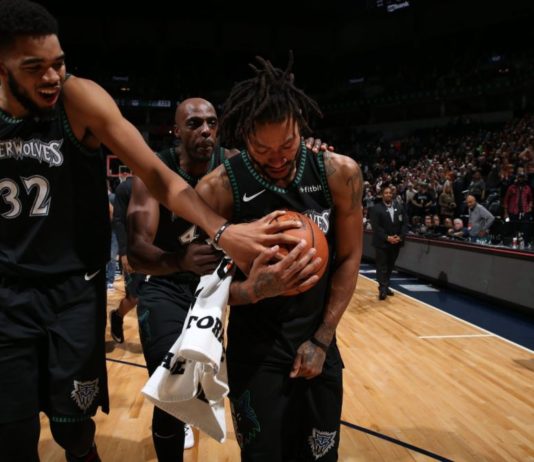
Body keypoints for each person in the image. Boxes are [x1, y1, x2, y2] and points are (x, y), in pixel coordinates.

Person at [0, 3, 301, 461]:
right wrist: (181, 258)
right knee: (12, 437)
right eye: (34, 67)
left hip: (72, 290)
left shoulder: (79, 99)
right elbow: (139, 246)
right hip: (11, 291)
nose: (52, 77)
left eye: (58, 62)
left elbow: (160, 177)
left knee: (73, 431)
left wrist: (223, 232)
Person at [129, 97, 325, 461]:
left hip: (217, 292)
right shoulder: (155, 171)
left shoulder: (233, 165)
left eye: (211, 123)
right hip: (169, 287)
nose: (205, 130)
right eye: (194, 124)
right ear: (176, 130)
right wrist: (178, 260)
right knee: (171, 390)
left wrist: (309, 151)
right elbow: (136, 253)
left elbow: (279, 160)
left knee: (197, 388)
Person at [195, 55, 363, 461]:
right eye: (262, 148)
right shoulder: (218, 189)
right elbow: (199, 287)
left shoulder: (339, 174)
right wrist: (252, 290)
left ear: (300, 127)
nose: (277, 158)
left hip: (318, 342)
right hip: (255, 353)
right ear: (244, 135)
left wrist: (322, 339)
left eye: (287, 145)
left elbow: (349, 256)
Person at [109, 174, 145, 344]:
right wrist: (123, 252)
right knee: (134, 298)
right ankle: (117, 316)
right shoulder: (125, 188)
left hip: (157, 250)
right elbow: (118, 221)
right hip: (133, 251)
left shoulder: (159, 185)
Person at [370, 185, 408, 300]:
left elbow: (405, 223)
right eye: (386, 193)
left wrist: (400, 237)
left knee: (390, 266)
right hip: (382, 243)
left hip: (396, 242)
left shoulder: (399, 207)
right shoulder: (376, 208)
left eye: (390, 193)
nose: (388, 195)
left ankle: (385, 286)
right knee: (382, 266)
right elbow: (376, 227)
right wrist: (387, 237)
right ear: (382, 195)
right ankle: (382, 288)